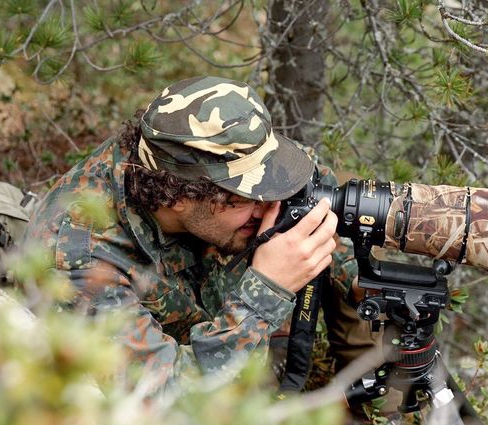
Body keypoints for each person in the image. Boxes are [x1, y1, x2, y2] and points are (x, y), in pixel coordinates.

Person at [23, 76, 373, 392]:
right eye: (244, 195)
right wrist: (266, 290)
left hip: (223, 335)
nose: (267, 206)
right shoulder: (79, 262)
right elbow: (160, 397)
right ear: (178, 195)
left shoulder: (217, 164)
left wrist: (360, 281)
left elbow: (309, 199)